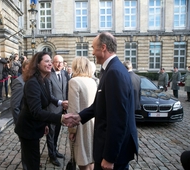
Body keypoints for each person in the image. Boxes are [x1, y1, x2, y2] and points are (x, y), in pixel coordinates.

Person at [63, 32, 139, 170]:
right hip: (107, 149)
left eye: (93, 48)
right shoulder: (110, 70)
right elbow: (99, 105)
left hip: (113, 155)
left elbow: (118, 119)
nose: (92, 53)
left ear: (103, 47)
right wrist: (79, 116)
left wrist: (110, 157)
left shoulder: (114, 72)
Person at [14, 51, 69, 170]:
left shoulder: (44, 80)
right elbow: (36, 111)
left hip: (36, 127)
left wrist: (61, 103)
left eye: (50, 61)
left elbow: (48, 98)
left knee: (34, 161)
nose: (50, 64)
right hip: (28, 129)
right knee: (32, 163)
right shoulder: (32, 83)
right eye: (47, 61)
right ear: (37, 64)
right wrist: (60, 118)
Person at [68, 56, 97, 170]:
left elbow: (73, 110)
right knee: (91, 157)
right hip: (92, 123)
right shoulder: (92, 81)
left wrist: (72, 130)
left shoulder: (74, 81)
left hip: (80, 125)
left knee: (82, 158)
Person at [46, 54, 70, 166]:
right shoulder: (48, 76)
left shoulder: (65, 74)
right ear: (53, 63)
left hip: (61, 110)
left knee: (57, 133)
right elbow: (49, 95)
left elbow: (66, 90)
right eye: (57, 62)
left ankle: (55, 150)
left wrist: (66, 105)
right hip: (51, 110)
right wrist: (61, 102)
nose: (59, 64)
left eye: (61, 62)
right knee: (50, 134)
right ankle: (52, 156)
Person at [10, 59, 29, 124]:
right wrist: (20, 124)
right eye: (28, 68)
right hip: (24, 122)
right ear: (23, 68)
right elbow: (15, 106)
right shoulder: (19, 82)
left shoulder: (31, 80)